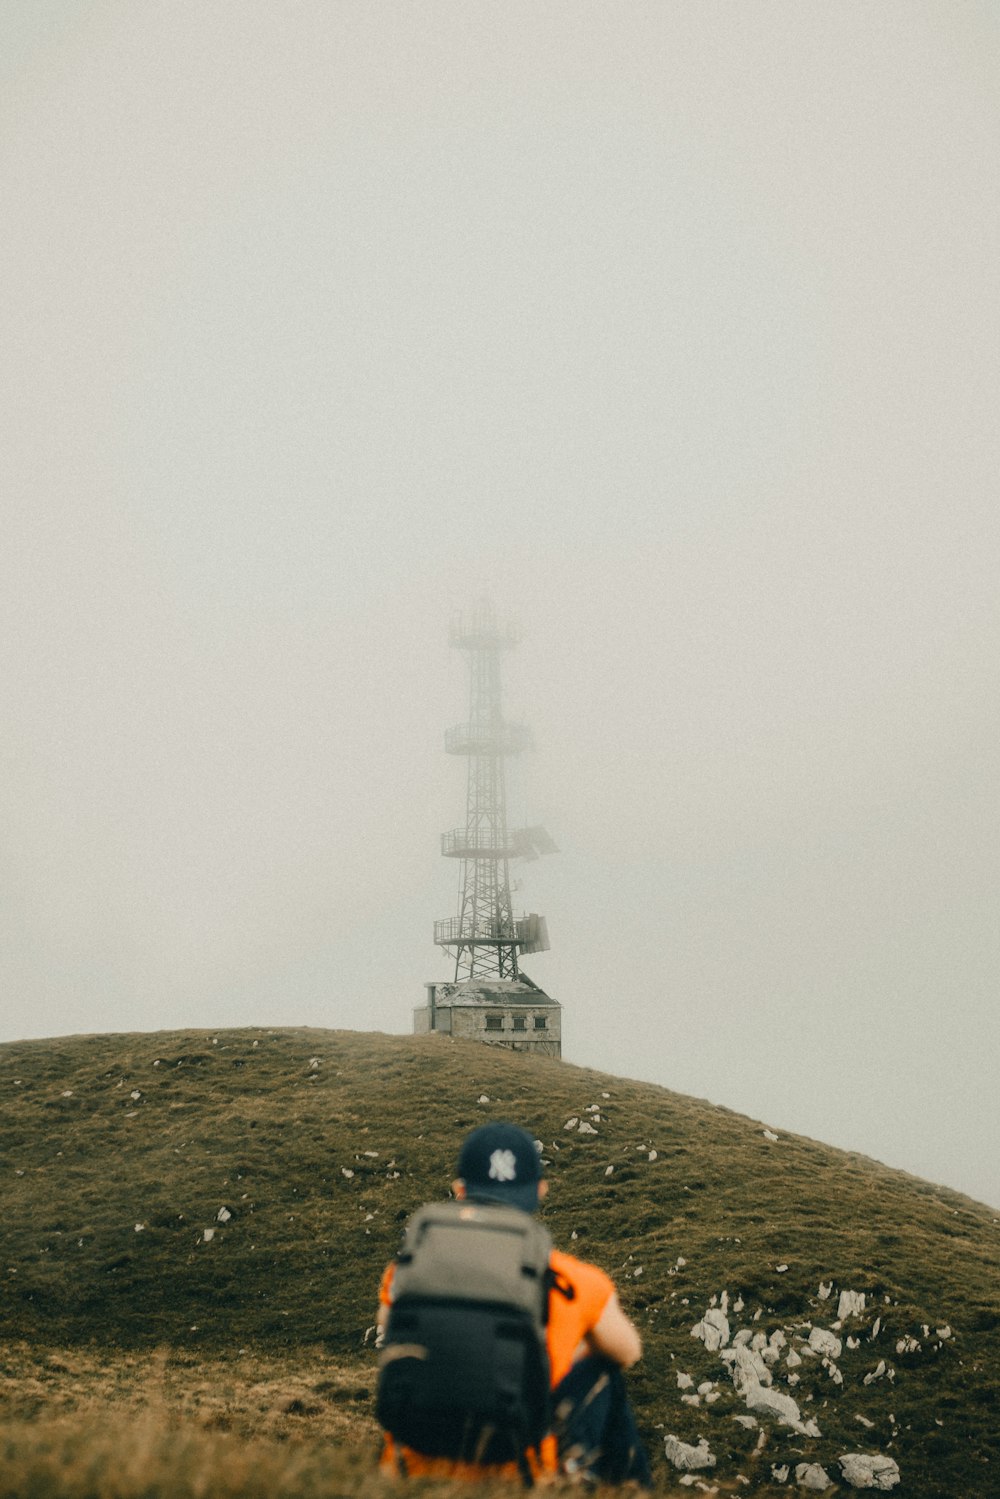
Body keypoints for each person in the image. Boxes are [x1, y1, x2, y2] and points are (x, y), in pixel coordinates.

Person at [377, 1120, 652, 1486]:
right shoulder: (574, 1281)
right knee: (604, 1373)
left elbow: (391, 1335)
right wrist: (570, 1347)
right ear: (540, 1191)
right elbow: (628, 1351)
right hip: (523, 1474)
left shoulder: (404, 1273)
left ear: (460, 1191)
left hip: (411, 1476)